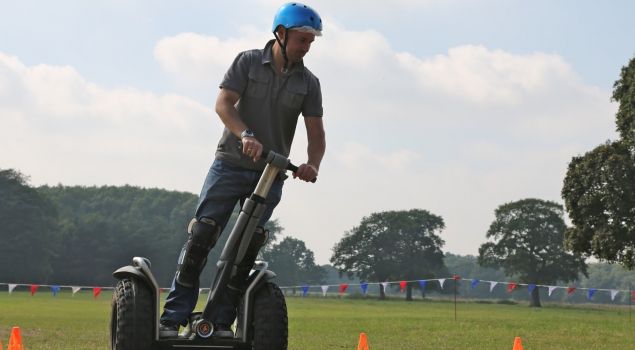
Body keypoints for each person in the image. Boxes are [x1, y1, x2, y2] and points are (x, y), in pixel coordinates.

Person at [159, 2, 326, 338]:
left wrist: (312, 164)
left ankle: (219, 323)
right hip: (230, 164)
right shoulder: (248, 62)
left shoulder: (309, 82)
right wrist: (245, 134)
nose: (306, 46)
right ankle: (172, 318)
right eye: (301, 39)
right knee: (202, 235)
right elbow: (223, 103)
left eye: (311, 41)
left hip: (270, 174)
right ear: (281, 34)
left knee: (244, 251)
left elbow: (317, 134)